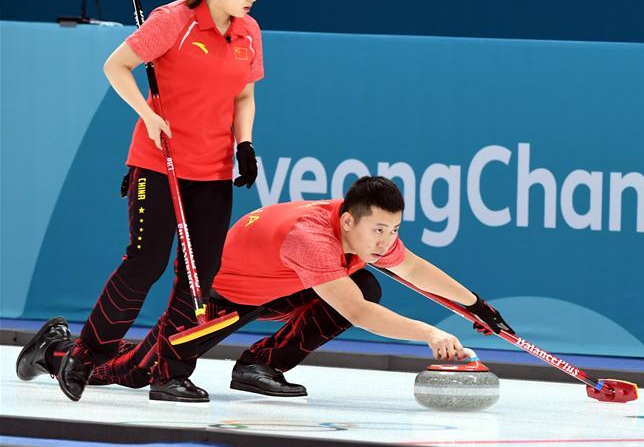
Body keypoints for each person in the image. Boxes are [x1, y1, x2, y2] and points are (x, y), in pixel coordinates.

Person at [18, 177, 514, 398]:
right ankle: (56, 351)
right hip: (219, 298)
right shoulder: (312, 240)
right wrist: (431, 332)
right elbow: (358, 314)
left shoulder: (365, 234)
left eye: (393, 231)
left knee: (366, 282)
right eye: (378, 231)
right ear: (347, 221)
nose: (386, 242)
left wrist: (476, 306)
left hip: (270, 290)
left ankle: (259, 365)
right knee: (136, 372)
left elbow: (416, 269)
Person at [52, 0, 268, 403]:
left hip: (211, 169)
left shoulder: (248, 32)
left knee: (200, 276)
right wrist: (147, 114)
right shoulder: (172, 21)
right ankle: (85, 354)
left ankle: (170, 371)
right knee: (146, 261)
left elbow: (244, 94)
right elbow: (117, 66)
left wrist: (244, 143)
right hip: (159, 162)